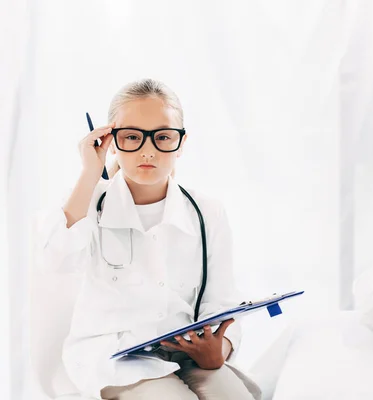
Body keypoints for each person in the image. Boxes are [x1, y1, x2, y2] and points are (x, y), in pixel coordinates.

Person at [39, 78, 261, 400]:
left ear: (181, 143)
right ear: (111, 141)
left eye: (162, 137)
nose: (148, 150)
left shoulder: (206, 212)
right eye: (132, 137)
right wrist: (90, 172)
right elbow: (56, 260)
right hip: (116, 358)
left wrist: (221, 349)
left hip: (189, 353)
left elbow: (222, 300)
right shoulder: (89, 202)